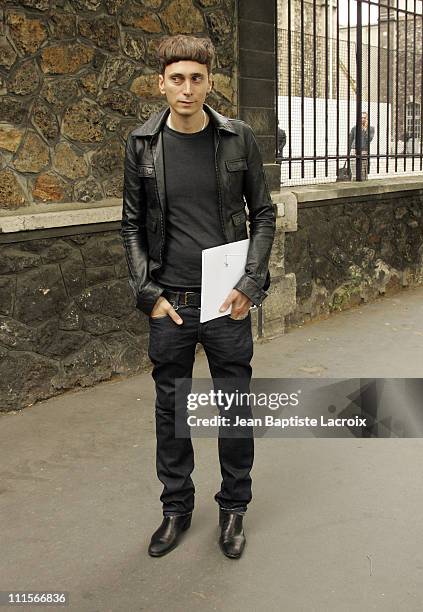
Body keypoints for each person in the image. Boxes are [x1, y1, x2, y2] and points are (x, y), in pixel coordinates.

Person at [121, 35, 276, 559]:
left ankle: (234, 509)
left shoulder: (238, 139)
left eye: (197, 78)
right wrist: (148, 293)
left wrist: (250, 285)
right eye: (177, 78)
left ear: (210, 82)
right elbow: (132, 226)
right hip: (171, 303)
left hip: (225, 300)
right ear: (161, 83)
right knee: (172, 410)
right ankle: (176, 509)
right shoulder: (142, 144)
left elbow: (265, 214)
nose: (187, 88)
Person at [348, 111, 375, 181]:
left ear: (367, 119)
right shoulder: (354, 128)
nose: (362, 119)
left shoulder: (371, 128)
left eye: (364, 118)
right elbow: (351, 140)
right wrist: (349, 151)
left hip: (363, 150)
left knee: (363, 172)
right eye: (361, 118)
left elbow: (369, 139)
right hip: (354, 150)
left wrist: (365, 129)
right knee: (354, 172)